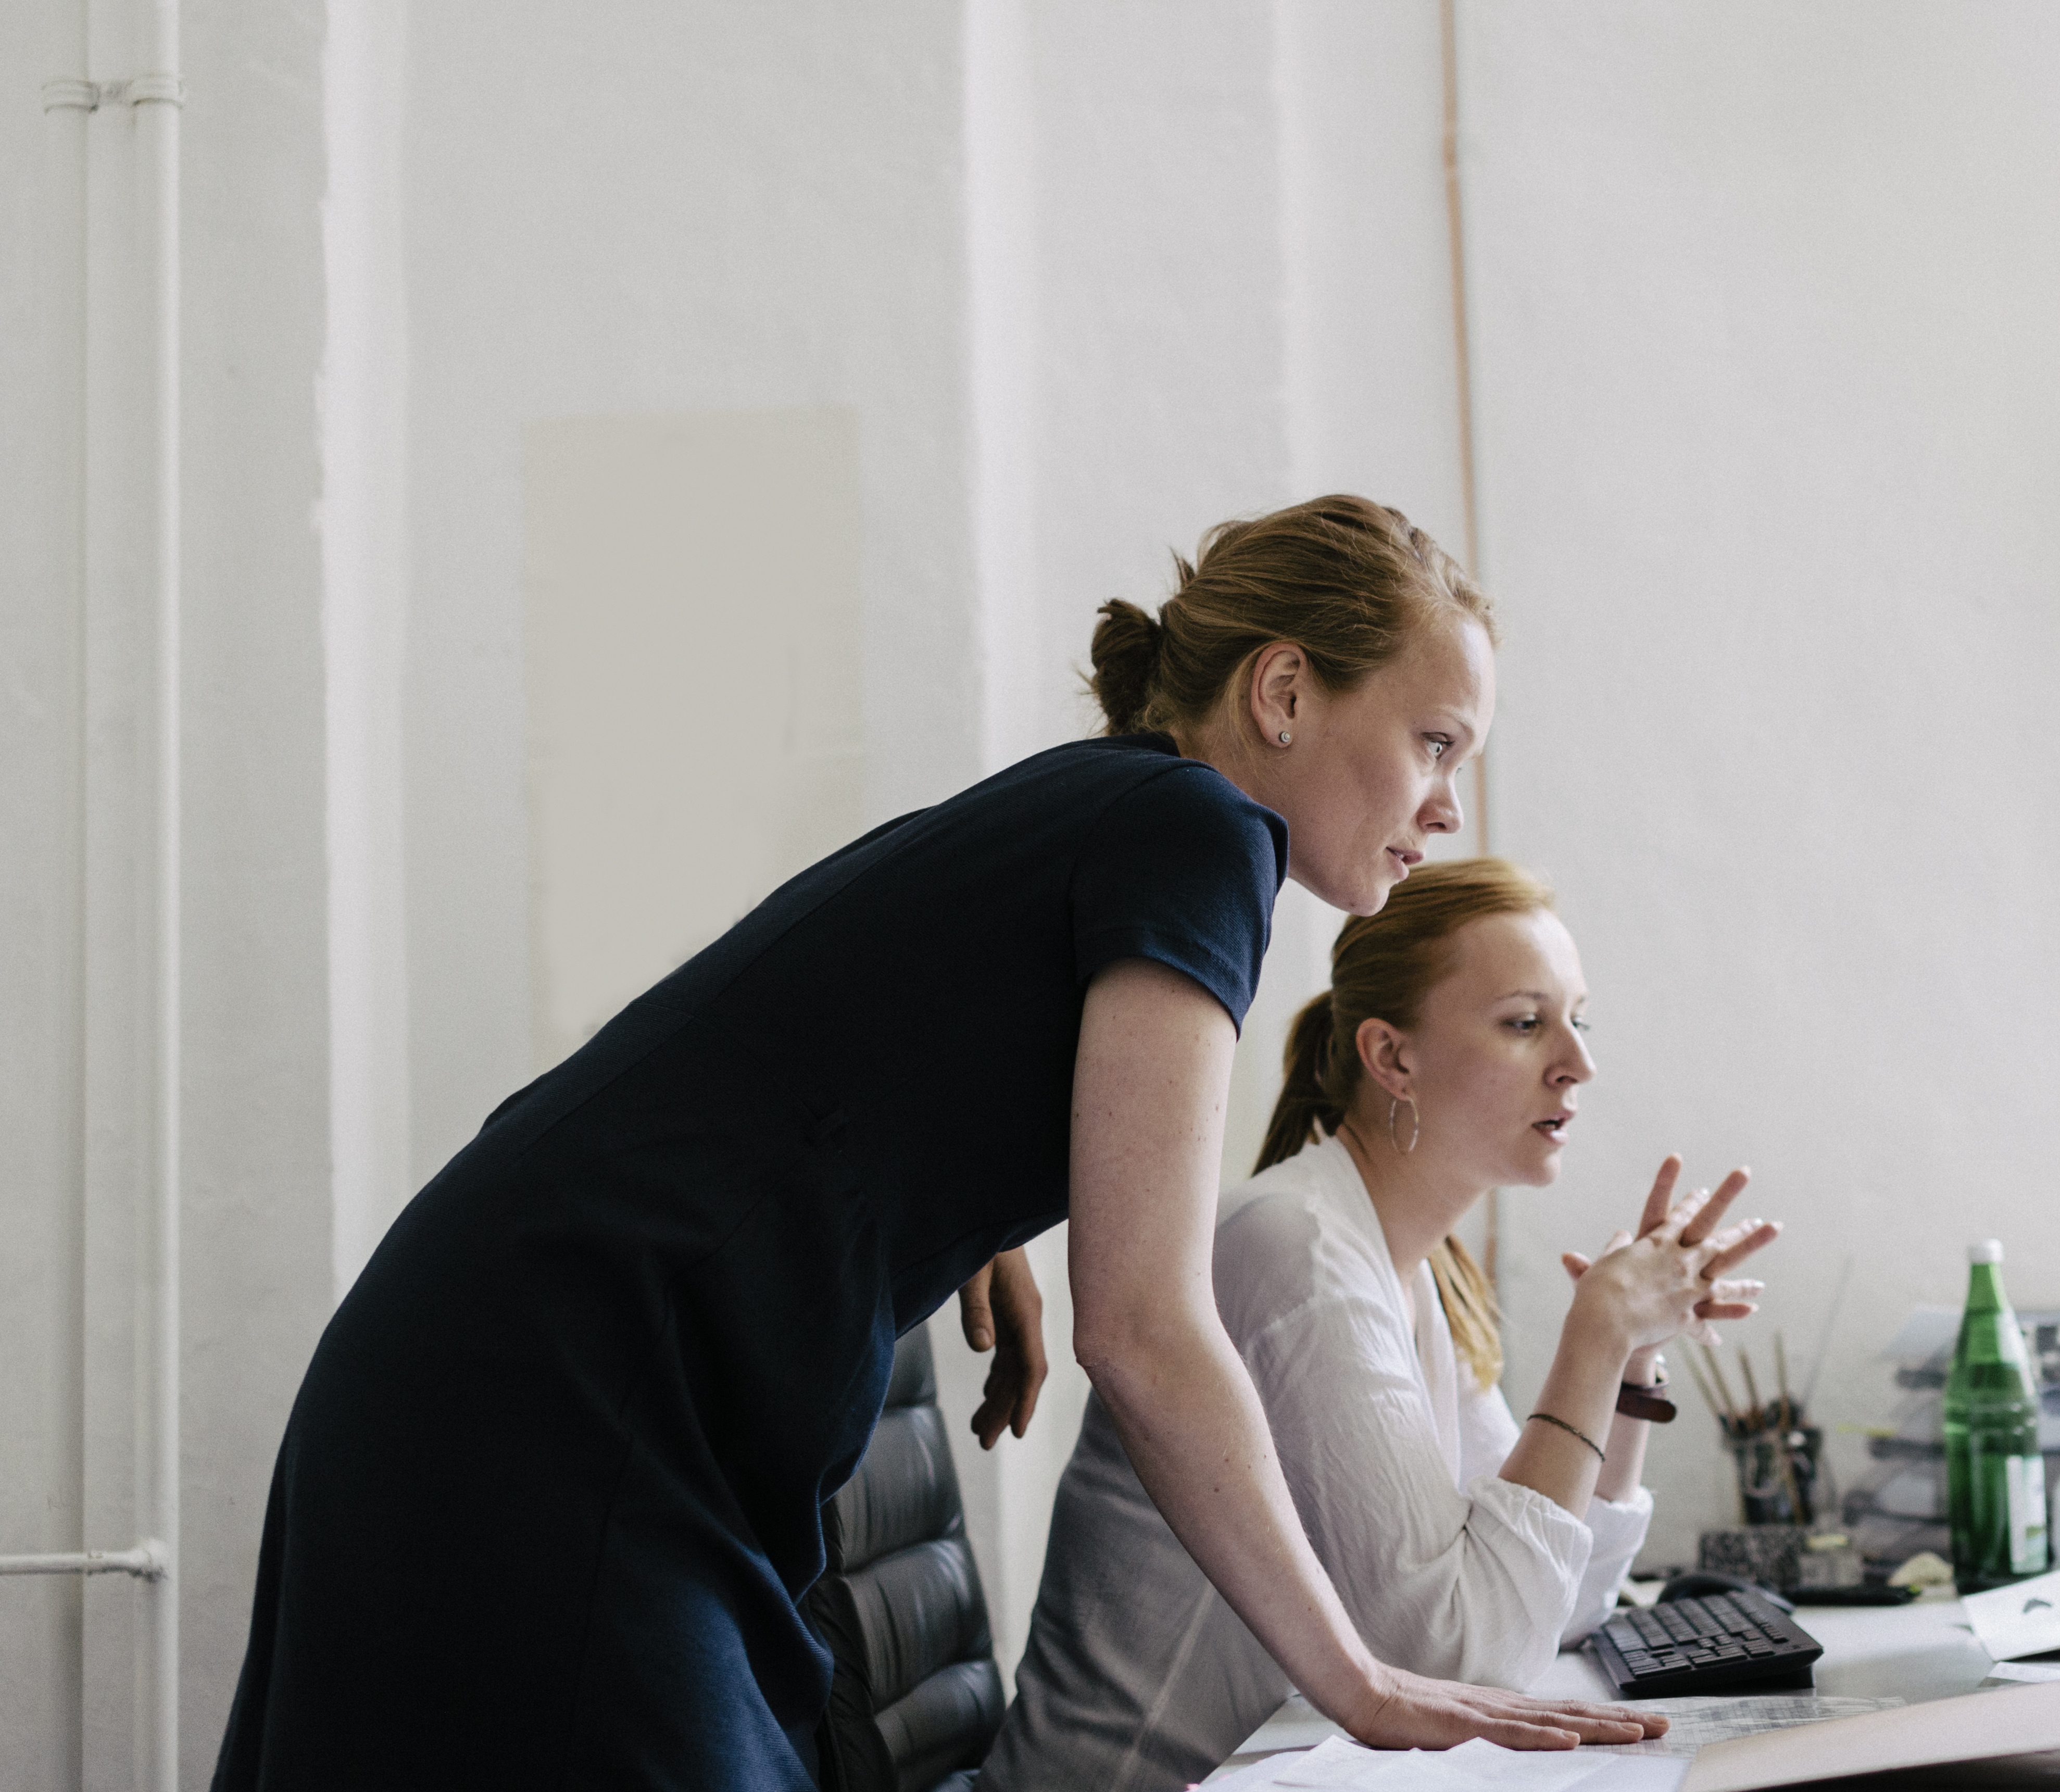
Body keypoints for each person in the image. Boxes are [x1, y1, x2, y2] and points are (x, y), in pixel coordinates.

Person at [210, 497, 1669, 1790]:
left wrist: (984, 1219)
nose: (1446, 803)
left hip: (530, 1341)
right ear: (1285, 691)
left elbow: (850, 1024)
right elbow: (1151, 1333)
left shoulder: (1118, 807)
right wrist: (1363, 1681)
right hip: (570, 1383)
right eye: (1433, 742)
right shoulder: (1203, 834)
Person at [983, 858, 1778, 1792]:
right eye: (1525, 1023)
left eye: (1578, 1017)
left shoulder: (1409, 1261)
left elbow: (1552, 1606)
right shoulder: (1300, 1254)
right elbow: (1465, 1658)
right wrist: (1592, 1336)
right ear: (1391, 1057)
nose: (1578, 1061)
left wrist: (1632, 1365)